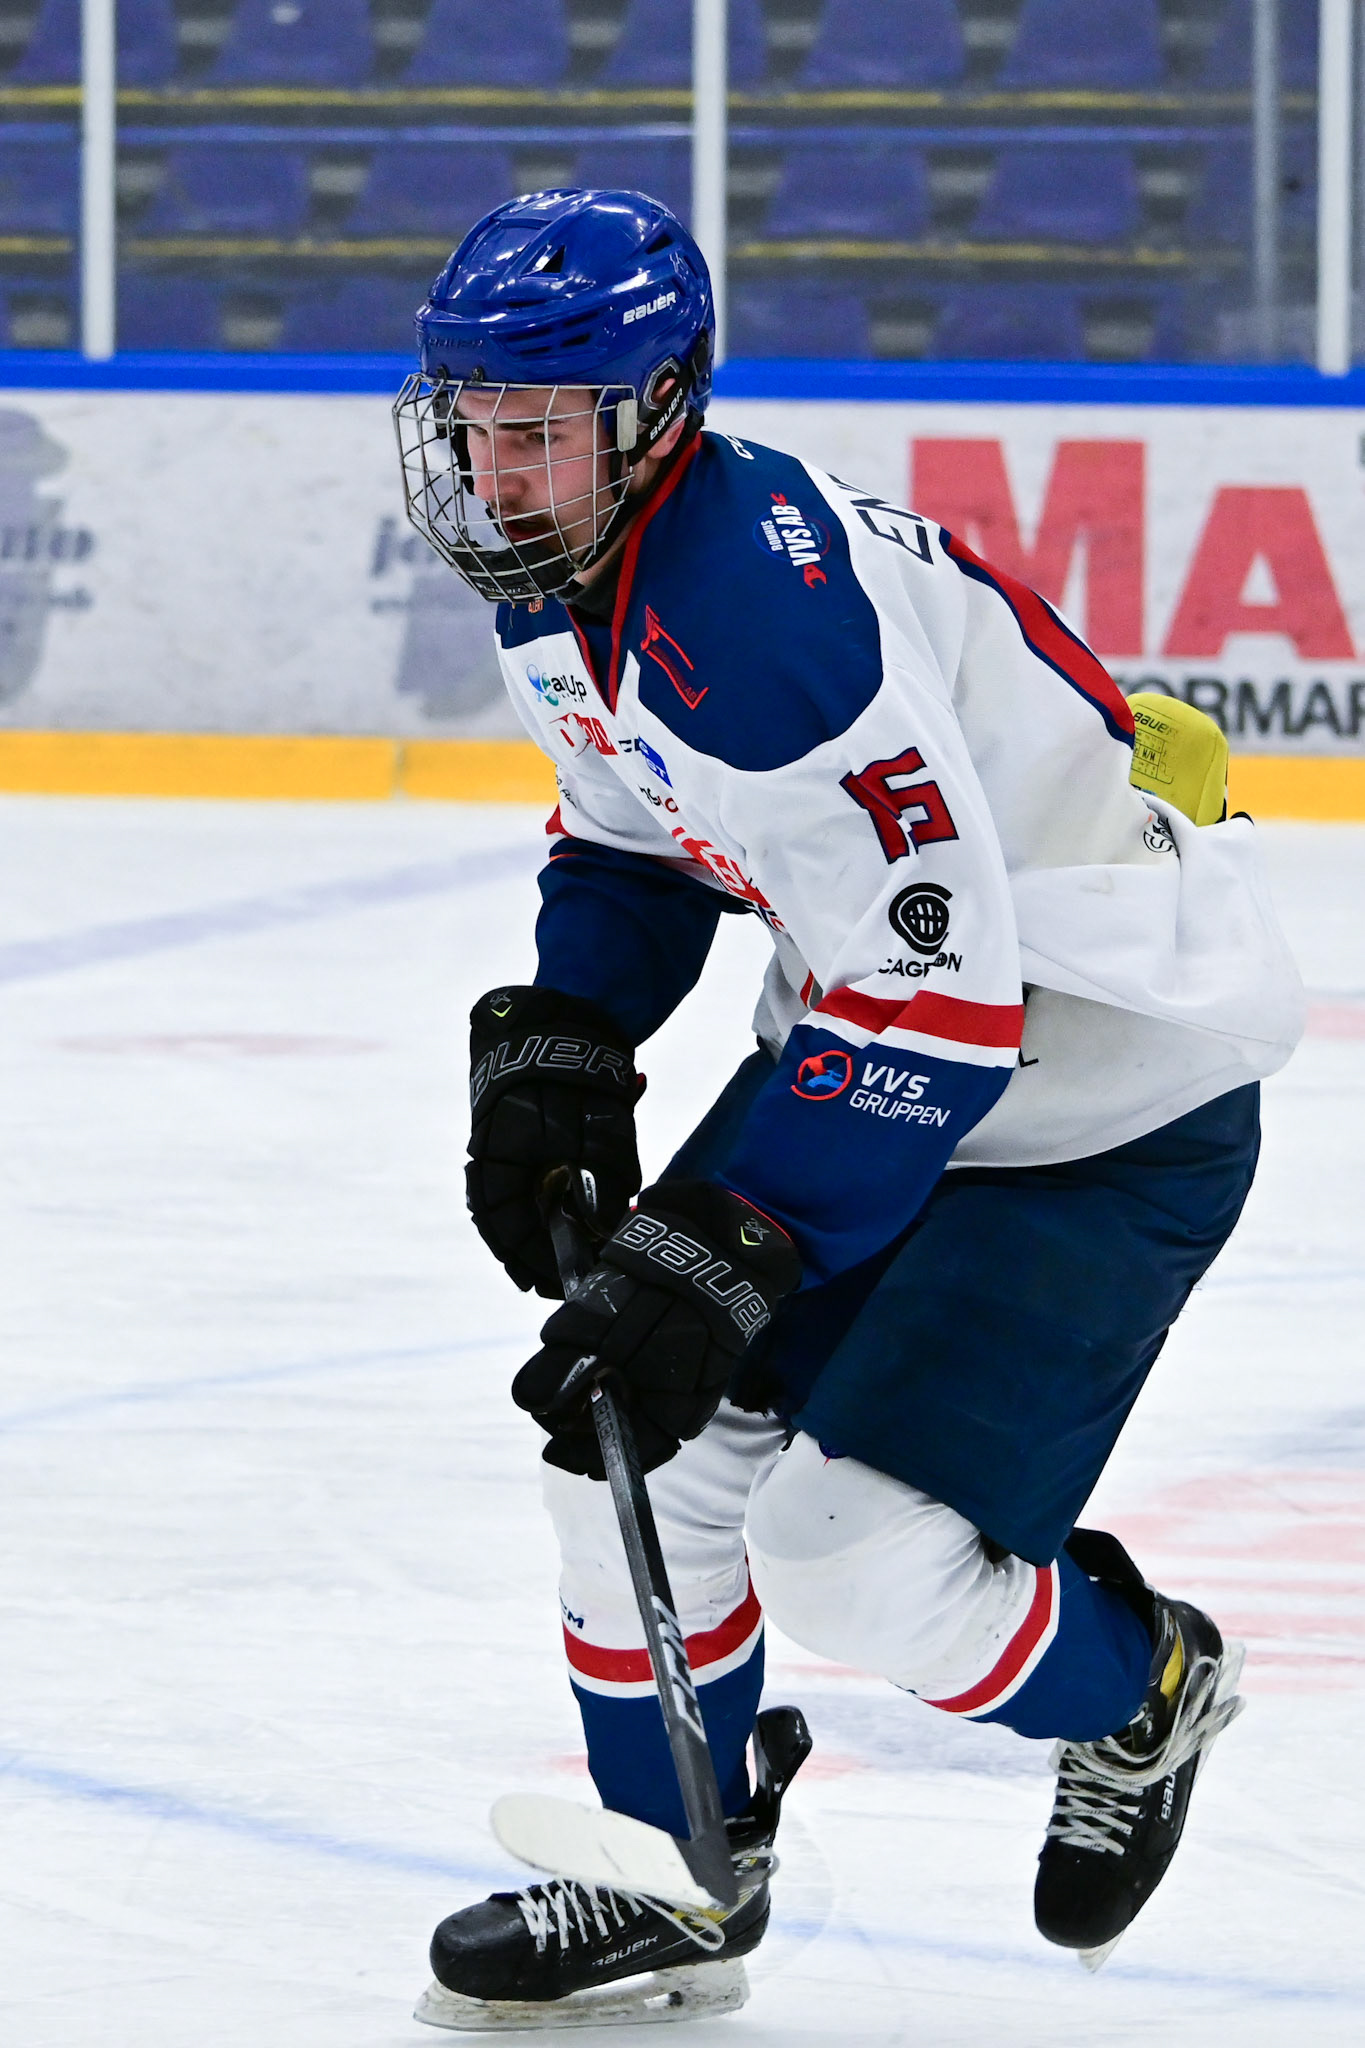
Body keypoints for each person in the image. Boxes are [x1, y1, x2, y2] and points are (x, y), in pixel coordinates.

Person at [395, 189, 1303, 2030]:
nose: (497, 470)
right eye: (475, 423)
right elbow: (638, 832)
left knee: (855, 1565)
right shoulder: (565, 571)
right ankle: (675, 1873)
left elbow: (943, 991)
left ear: (659, 410)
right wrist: (568, 1036)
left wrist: (739, 1235)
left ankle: (1140, 1686)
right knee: (628, 1457)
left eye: (542, 427)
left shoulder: (759, 618)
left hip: (1101, 1096)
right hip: (885, 1052)